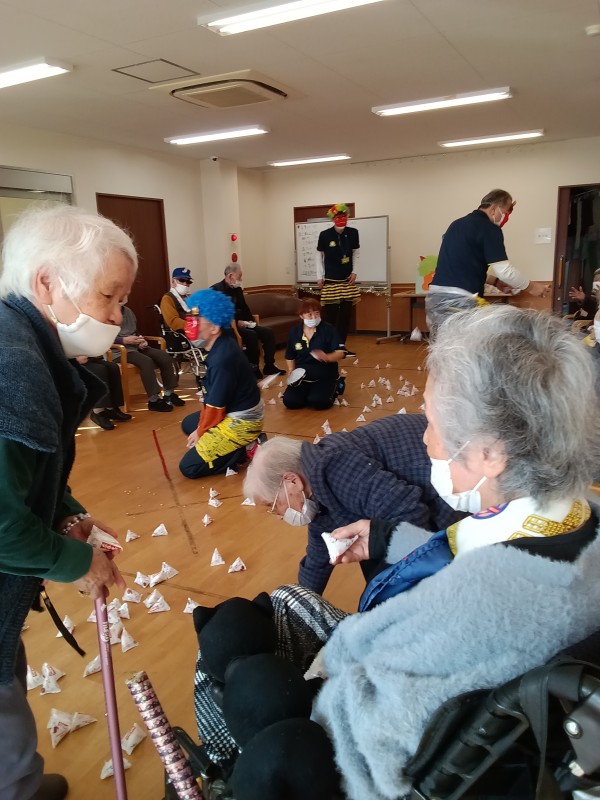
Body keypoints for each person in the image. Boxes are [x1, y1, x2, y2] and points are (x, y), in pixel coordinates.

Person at [194, 304, 600, 800]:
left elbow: (377, 730)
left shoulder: (475, 602)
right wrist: (388, 540)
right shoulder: (575, 519)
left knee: (240, 658)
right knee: (265, 618)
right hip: (452, 668)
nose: (423, 437)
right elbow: (455, 552)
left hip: (367, 742)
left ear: (490, 453)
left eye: (430, 421)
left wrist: (319, 684)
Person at [0, 204, 135, 800]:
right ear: (47, 282)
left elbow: (26, 475)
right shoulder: (15, 370)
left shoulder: (21, 340)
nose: (116, 316)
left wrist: (66, 513)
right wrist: (79, 563)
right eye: (108, 297)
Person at [244, 412, 462, 594]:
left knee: (387, 581)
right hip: (415, 492)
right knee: (375, 563)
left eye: (273, 505)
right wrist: (299, 600)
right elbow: (319, 553)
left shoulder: (332, 468)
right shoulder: (315, 486)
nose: (278, 515)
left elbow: (411, 512)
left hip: (448, 484)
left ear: (292, 481)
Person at [426, 189, 549, 332]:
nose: (505, 218)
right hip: (460, 302)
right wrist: (533, 287)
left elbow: (464, 266)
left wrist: (495, 282)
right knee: (468, 345)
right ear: (493, 209)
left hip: (435, 299)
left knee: (443, 343)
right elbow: (505, 272)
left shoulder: (456, 225)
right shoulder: (489, 228)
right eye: (505, 213)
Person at [179, 288, 264, 479]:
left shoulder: (222, 358)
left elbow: (215, 408)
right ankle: (241, 444)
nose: (192, 323)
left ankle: (245, 449)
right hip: (234, 409)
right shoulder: (221, 343)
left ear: (214, 327)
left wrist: (201, 432)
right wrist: (200, 428)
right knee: (188, 424)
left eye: (198, 318)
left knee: (189, 467)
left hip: (242, 422)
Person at [211, 265, 285, 378]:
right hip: (228, 327)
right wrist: (236, 322)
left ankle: (269, 366)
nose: (241, 279)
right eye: (239, 276)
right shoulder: (216, 290)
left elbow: (244, 307)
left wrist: (250, 321)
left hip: (243, 324)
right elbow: (217, 313)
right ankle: (253, 368)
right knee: (251, 335)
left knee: (268, 332)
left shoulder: (237, 289)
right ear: (230, 276)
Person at [113, 305, 185, 411]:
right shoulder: (107, 313)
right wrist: (123, 340)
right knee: (146, 362)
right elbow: (103, 338)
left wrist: (141, 340)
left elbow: (134, 331)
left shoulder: (128, 311)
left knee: (164, 356)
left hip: (135, 346)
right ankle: (154, 400)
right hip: (119, 351)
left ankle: (169, 394)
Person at [282, 298, 345, 412]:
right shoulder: (294, 332)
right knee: (290, 402)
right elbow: (290, 355)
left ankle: (336, 385)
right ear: (301, 316)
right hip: (302, 377)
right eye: (309, 314)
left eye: (317, 313)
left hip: (324, 374)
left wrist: (327, 357)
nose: (314, 317)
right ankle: (309, 392)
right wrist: (291, 370)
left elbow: (341, 352)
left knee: (319, 402)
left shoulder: (329, 329)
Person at [316, 203, 360, 356]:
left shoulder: (353, 233)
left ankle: (341, 347)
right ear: (333, 218)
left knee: (346, 317)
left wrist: (355, 271)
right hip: (331, 281)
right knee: (331, 317)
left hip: (347, 281)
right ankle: (328, 346)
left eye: (344, 216)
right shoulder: (325, 235)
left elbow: (356, 253)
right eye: (338, 217)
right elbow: (319, 256)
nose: (341, 219)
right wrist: (319, 276)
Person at [77, 356, 132, 430]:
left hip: (86, 358)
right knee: (99, 369)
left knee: (113, 367)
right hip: (70, 361)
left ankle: (111, 409)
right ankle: (98, 412)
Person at [160, 266, 194, 333]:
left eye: (188, 281)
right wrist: (193, 326)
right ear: (173, 281)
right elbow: (173, 321)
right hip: (181, 333)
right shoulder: (167, 298)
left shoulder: (190, 297)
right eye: (181, 280)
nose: (185, 284)